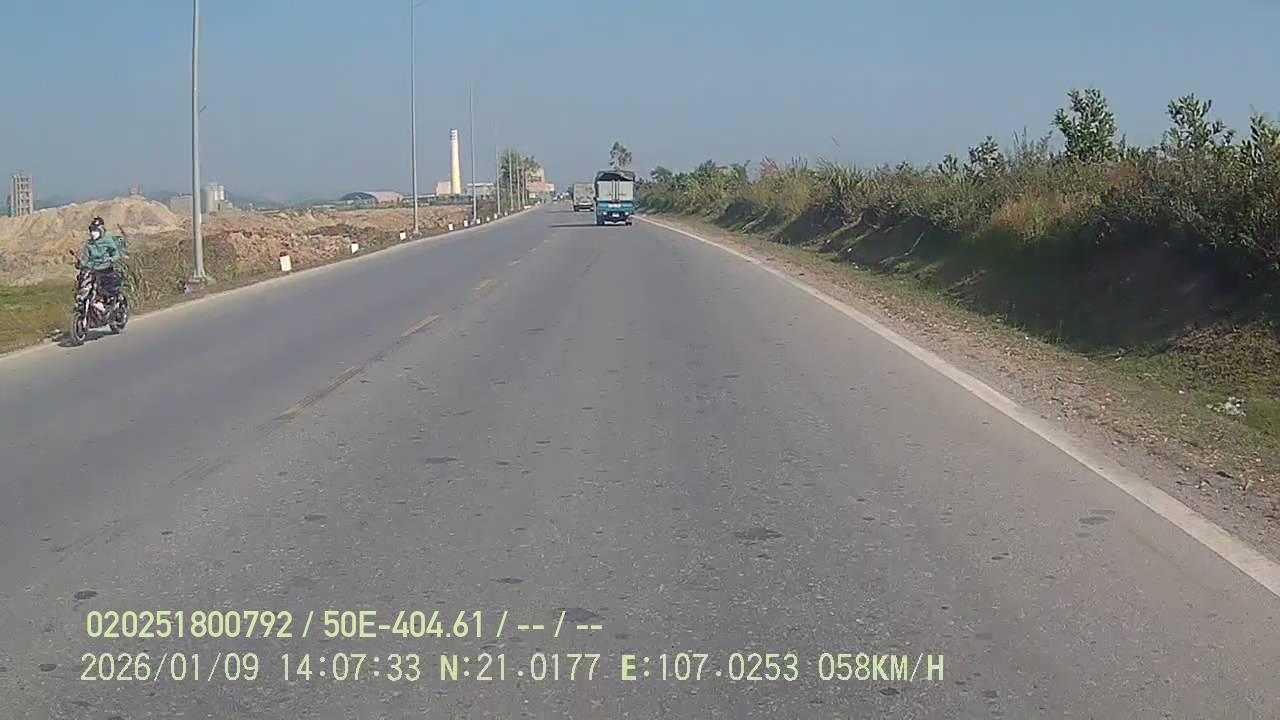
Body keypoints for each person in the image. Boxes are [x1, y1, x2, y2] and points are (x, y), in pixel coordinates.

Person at [77, 217, 125, 310]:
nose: (93, 233)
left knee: (105, 289)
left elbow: (116, 254)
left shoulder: (108, 240)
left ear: (101, 230)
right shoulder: (89, 244)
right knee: (84, 285)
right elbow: (85, 258)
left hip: (106, 270)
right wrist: (81, 264)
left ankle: (108, 304)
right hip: (94, 270)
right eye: (91, 230)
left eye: (95, 230)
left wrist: (110, 259)